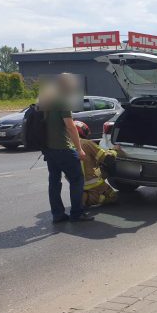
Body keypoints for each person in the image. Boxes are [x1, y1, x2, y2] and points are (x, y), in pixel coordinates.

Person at [43, 75, 94, 222]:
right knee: (77, 179)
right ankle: (76, 213)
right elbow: (71, 127)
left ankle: (57, 214)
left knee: (54, 181)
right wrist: (79, 149)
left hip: (49, 149)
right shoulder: (62, 101)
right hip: (63, 148)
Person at [73, 121, 118, 207]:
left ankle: (85, 194)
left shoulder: (67, 145)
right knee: (113, 197)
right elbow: (107, 158)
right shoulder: (86, 143)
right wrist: (114, 150)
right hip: (92, 181)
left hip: (76, 182)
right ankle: (87, 199)